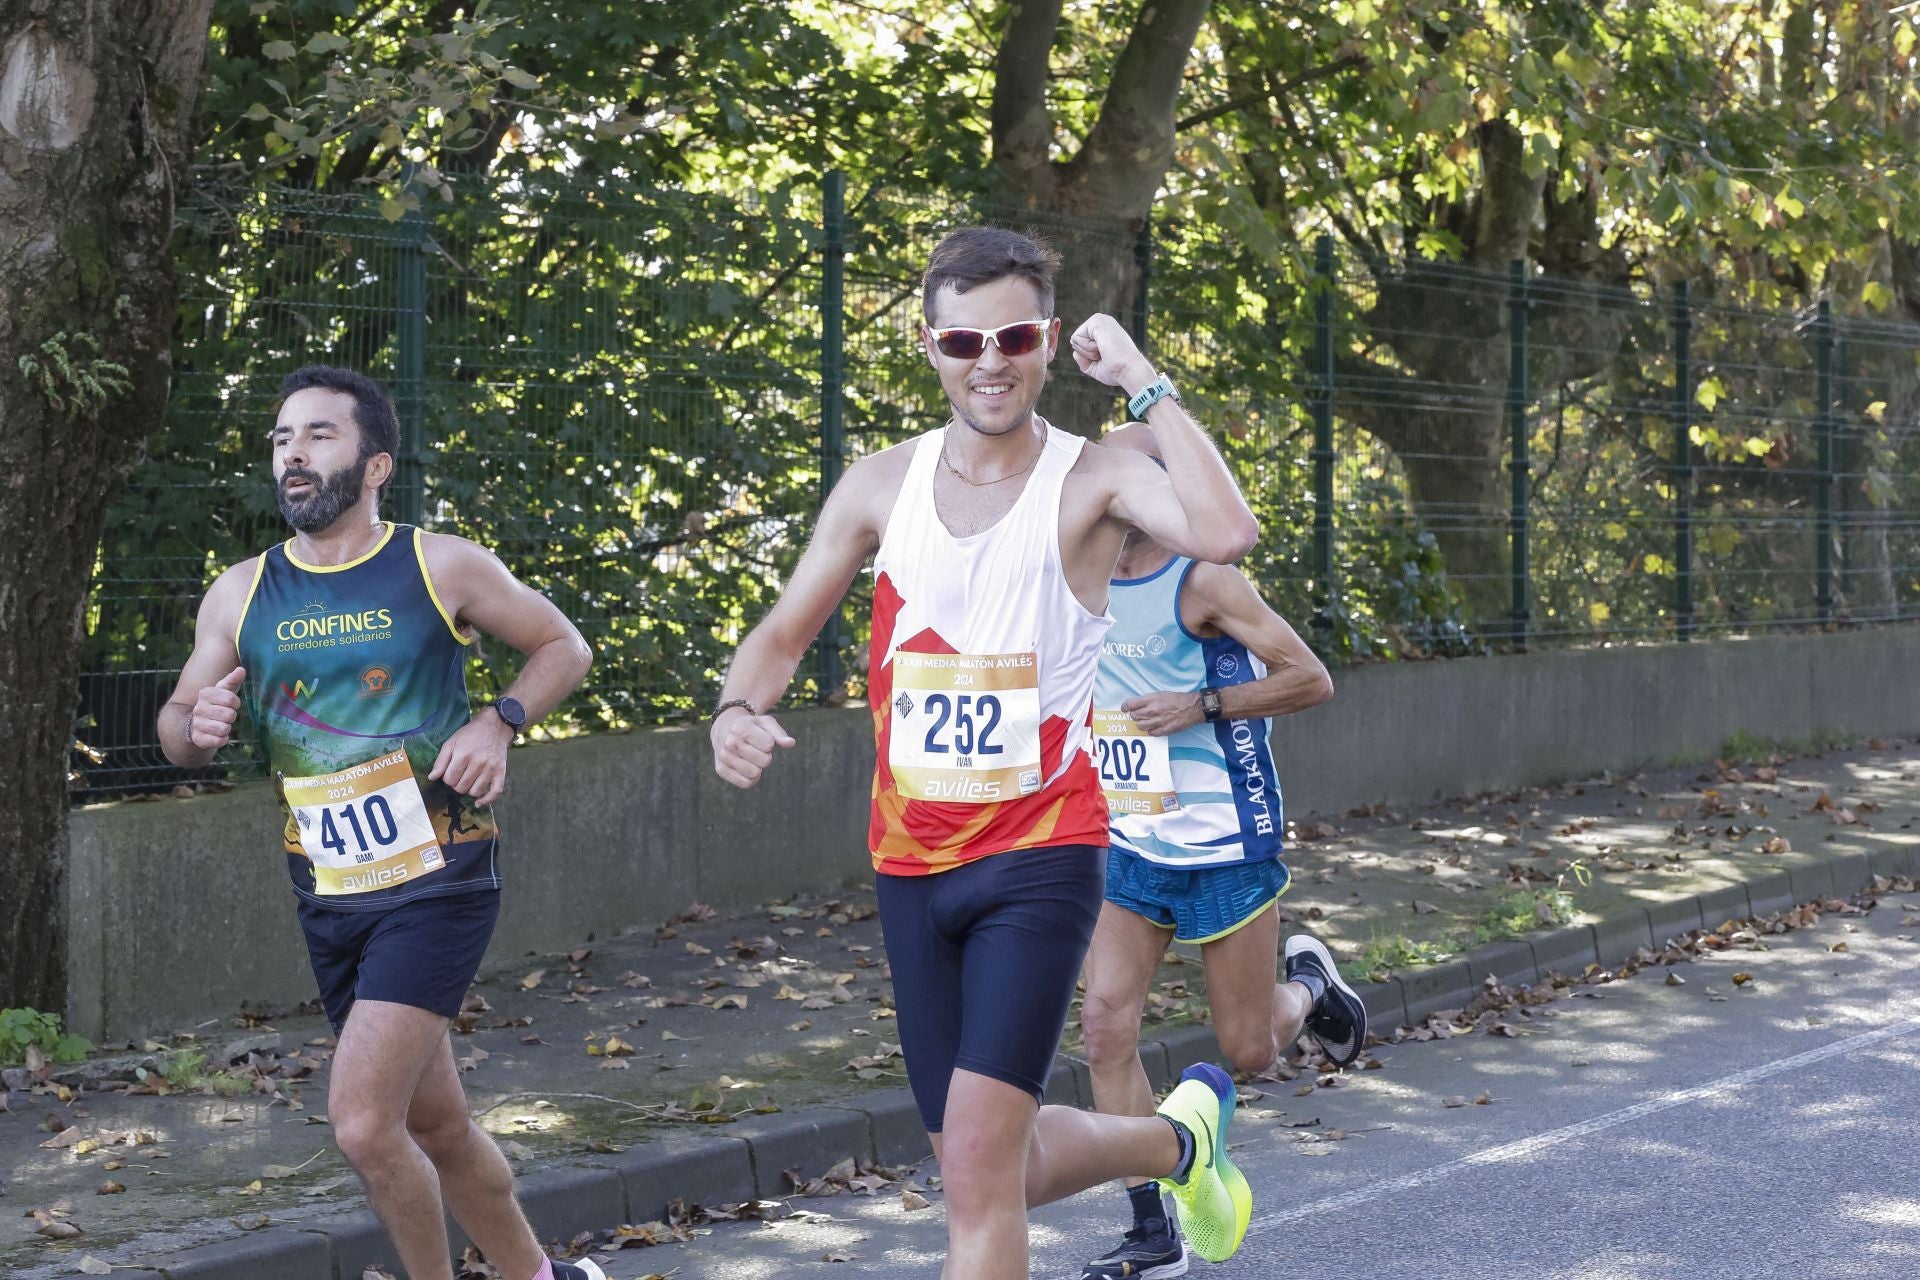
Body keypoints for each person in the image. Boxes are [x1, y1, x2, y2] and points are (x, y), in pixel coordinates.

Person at [710, 227, 1262, 1279]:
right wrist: (737, 707)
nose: (990, 360)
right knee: (981, 1161)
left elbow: (1225, 533)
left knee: (974, 1164)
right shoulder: (880, 484)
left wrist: (1145, 383)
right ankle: (1180, 1139)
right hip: (912, 862)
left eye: (1013, 335)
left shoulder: (1094, 479)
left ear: (1049, 342)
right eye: (965, 340)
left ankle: (1176, 1142)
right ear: (930, 346)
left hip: (1042, 850)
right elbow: (781, 634)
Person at [159, 366, 600, 1280]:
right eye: (283, 438)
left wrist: (498, 721)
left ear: (375, 464)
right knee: (437, 1124)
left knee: (365, 1126)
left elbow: (564, 645)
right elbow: (176, 728)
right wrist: (192, 728)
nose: (293, 455)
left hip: (439, 875)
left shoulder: (439, 564)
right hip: (327, 889)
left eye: (319, 435)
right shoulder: (240, 592)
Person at [1075, 421, 1368, 1280]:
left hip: (1224, 842)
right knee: (1103, 1026)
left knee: (1246, 1050)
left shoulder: (1202, 581)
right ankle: (1151, 1228)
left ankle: (1310, 986)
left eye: (1130, 472)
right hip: (1131, 840)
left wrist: (1203, 703)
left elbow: (1310, 678)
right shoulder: (1074, 573)